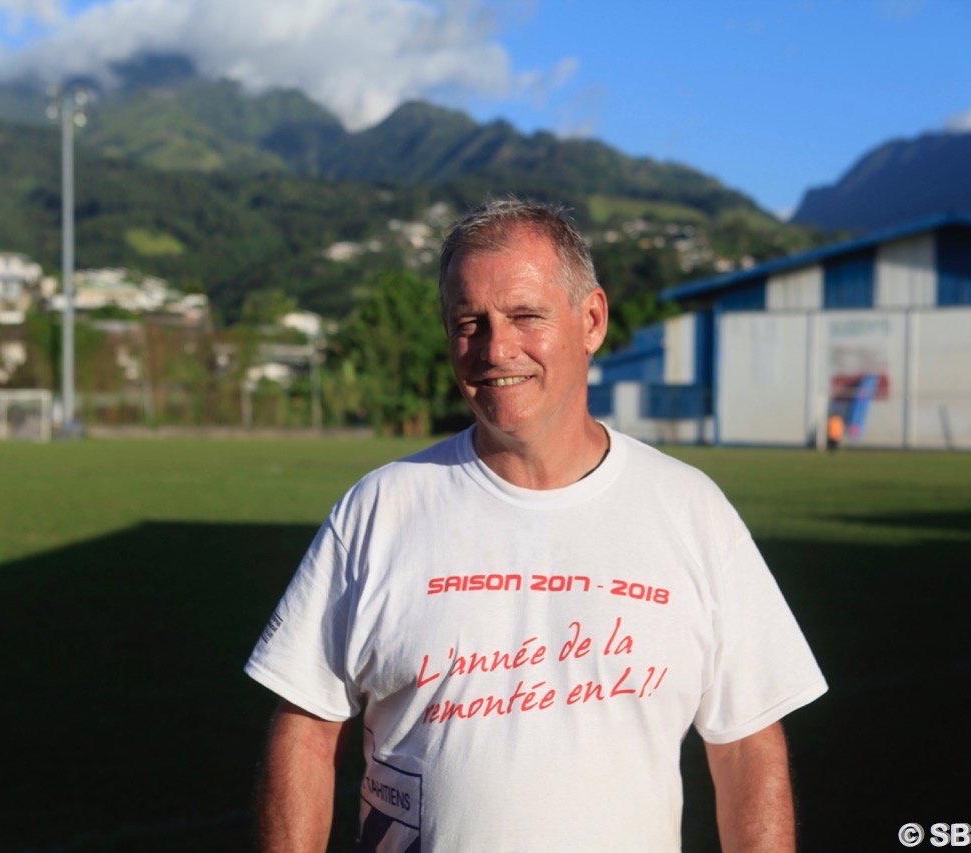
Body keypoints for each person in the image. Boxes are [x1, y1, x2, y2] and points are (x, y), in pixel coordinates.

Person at [245, 199, 827, 852]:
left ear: (592, 320)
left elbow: (748, 744)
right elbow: (306, 728)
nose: (496, 349)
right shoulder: (381, 508)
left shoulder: (692, 511)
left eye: (525, 316)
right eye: (470, 322)